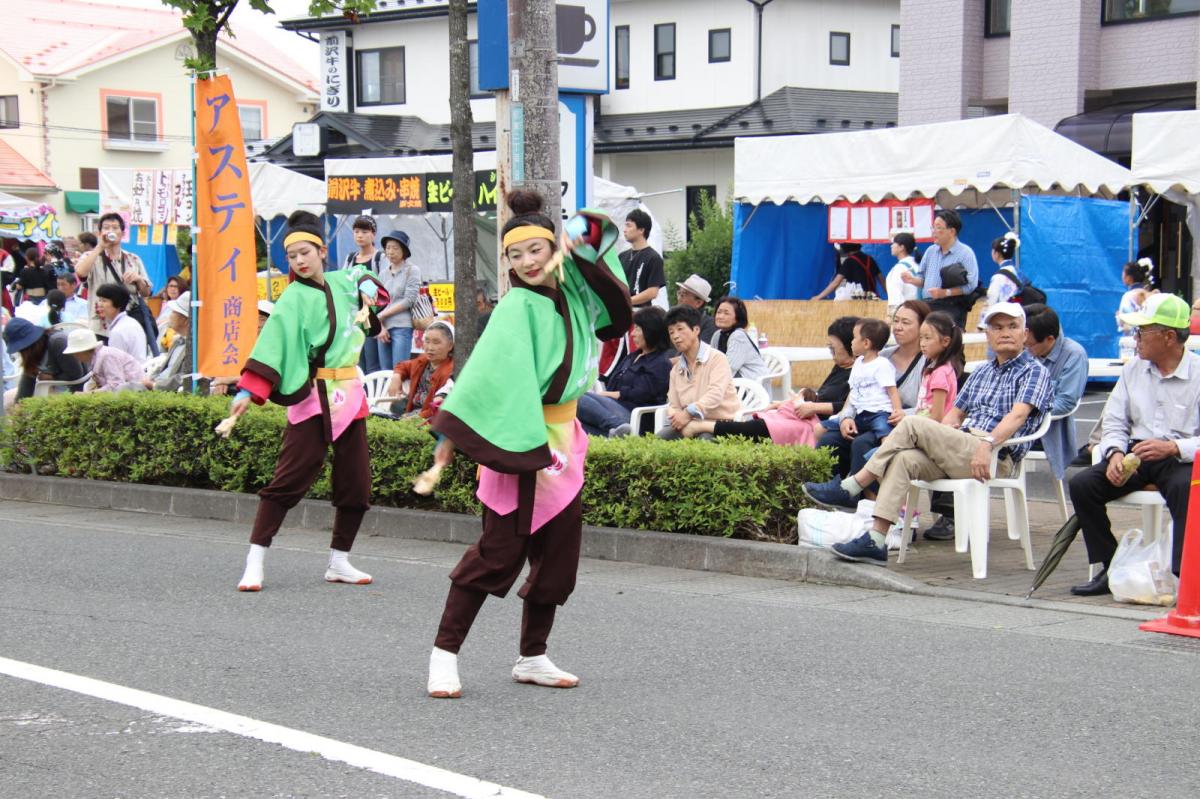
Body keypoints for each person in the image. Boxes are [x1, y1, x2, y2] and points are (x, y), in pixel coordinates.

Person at [425, 189, 632, 698]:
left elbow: (610, 287)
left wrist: (573, 240)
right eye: (514, 255)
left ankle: (532, 655)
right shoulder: (516, 306)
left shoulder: (574, 296)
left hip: (564, 440)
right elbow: (486, 380)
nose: (525, 263)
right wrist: (448, 442)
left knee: (558, 558)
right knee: (498, 554)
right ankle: (443, 655)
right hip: (520, 438)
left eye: (534, 250)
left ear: (553, 249)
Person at [803, 302, 1052, 566]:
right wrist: (935, 441)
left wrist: (987, 444)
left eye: (1013, 326)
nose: (1005, 333)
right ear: (987, 334)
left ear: (1025, 334)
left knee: (912, 424)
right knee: (904, 459)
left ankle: (852, 485)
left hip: (995, 454)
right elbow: (954, 415)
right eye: (997, 327)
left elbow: (1017, 416)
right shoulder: (982, 372)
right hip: (960, 447)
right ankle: (876, 540)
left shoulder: (1035, 371)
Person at [223, 211, 389, 593]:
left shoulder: (345, 280)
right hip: (313, 397)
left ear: (322, 251)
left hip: (349, 396)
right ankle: (255, 558)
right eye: (292, 255)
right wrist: (248, 392)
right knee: (289, 479)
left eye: (305, 252)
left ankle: (340, 560)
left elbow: (374, 291)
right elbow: (273, 345)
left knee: (356, 482)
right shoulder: (292, 298)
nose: (299, 261)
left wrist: (366, 284)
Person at [1067, 293, 1199, 596]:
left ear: (1168, 336)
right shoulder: (1132, 370)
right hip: (1136, 454)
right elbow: (1114, 422)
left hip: (1181, 458)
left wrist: (1174, 448)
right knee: (1083, 484)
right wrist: (1113, 453)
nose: (1135, 338)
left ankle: (1184, 574)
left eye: (1142, 331)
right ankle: (1110, 565)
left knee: (1187, 489)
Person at [685, 316, 857, 445]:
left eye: (833, 346)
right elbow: (823, 396)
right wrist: (784, 403)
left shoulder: (860, 371)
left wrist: (812, 407)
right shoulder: (841, 366)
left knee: (764, 428)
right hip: (804, 414)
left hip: (816, 422)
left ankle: (704, 426)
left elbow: (850, 405)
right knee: (763, 419)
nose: (830, 350)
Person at [814, 318, 904, 478]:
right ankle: (822, 475)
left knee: (885, 435)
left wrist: (897, 411)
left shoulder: (881, 364)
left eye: (854, 338)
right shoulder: (858, 364)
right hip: (859, 413)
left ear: (866, 343)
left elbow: (892, 391)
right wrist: (845, 416)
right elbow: (853, 392)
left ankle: (885, 463)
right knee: (820, 429)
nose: (851, 342)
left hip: (878, 412)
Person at [581, 306, 672, 437]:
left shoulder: (661, 362)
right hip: (613, 407)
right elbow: (613, 383)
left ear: (651, 331)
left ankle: (616, 425)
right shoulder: (632, 357)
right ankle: (613, 434)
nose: (632, 333)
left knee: (577, 397)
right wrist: (604, 395)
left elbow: (640, 394)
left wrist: (605, 394)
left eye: (637, 329)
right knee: (575, 422)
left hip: (636, 415)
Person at [1023, 303, 1087, 481]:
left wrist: (1025, 412)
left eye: (1030, 346)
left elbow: (1066, 402)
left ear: (1050, 339)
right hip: (1012, 423)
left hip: (1044, 432)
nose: (1027, 350)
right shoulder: (1025, 349)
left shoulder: (1074, 355)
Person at [658, 304, 740, 440]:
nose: (675, 336)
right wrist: (677, 416)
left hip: (718, 424)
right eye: (671, 332)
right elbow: (673, 404)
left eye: (680, 329)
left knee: (704, 443)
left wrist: (687, 414)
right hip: (688, 423)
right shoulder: (676, 369)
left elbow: (715, 395)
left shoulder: (717, 359)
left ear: (696, 330)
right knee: (658, 441)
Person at [74, 213, 153, 337]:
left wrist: (138, 279)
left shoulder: (133, 259)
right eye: (106, 227)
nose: (111, 231)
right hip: (101, 326)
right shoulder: (91, 256)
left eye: (115, 228)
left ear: (122, 233)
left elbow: (146, 293)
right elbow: (81, 273)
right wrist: (100, 247)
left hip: (128, 325)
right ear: (100, 233)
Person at [915, 210, 979, 328]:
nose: (934, 232)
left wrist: (944, 293)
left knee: (949, 342)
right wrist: (912, 280)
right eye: (933, 227)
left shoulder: (965, 253)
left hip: (951, 308)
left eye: (938, 228)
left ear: (952, 231)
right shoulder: (930, 251)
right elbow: (922, 278)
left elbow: (971, 285)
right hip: (928, 306)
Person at [2, 317, 86, 403]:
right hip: (47, 388)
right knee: (8, 399)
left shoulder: (57, 342)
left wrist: (52, 378)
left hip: (72, 390)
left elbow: (77, 374)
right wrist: (19, 403)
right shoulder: (32, 354)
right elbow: (28, 379)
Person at [387, 319, 455, 419]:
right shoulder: (423, 361)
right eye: (427, 341)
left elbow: (437, 408)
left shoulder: (451, 370)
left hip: (427, 419)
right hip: (411, 411)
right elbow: (403, 366)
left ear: (450, 345)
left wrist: (416, 418)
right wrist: (396, 377)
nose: (430, 347)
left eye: (436, 343)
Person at [375, 230, 421, 371]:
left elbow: (409, 300)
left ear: (404, 251)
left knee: (400, 370)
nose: (390, 251)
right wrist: (380, 326)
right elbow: (378, 304)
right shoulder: (382, 274)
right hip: (383, 327)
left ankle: (402, 394)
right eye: (388, 248)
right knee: (385, 371)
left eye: (395, 248)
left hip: (402, 326)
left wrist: (383, 315)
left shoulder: (412, 270)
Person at [344, 215, 384, 373]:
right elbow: (344, 281)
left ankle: (372, 395)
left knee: (373, 362)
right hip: (355, 316)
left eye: (364, 231)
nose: (359, 235)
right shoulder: (350, 258)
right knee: (357, 361)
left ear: (373, 234)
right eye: (356, 231)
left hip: (374, 315)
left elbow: (384, 286)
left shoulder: (380, 258)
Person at [61, 328, 145, 393]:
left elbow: (116, 385)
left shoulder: (106, 356)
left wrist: (90, 394)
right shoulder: (95, 358)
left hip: (134, 391)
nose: (74, 356)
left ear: (82, 350)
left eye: (75, 353)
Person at [914, 311, 963, 422]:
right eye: (921, 338)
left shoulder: (940, 372)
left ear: (945, 341)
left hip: (930, 431)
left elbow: (937, 416)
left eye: (927, 338)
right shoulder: (936, 368)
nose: (922, 343)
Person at [710, 295, 768, 380]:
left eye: (726, 313)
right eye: (719, 312)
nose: (720, 316)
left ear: (737, 318)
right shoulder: (717, 335)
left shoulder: (738, 336)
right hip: (731, 379)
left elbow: (729, 368)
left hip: (751, 384)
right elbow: (711, 361)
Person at [146, 291, 192, 392]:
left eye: (174, 312)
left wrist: (154, 385)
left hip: (163, 390)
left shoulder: (194, 347)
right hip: (155, 383)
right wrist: (150, 379)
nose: (170, 316)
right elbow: (164, 368)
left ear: (185, 320)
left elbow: (185, 376)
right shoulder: (177, 341)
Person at [94, 283, 149, 363]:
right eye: (99, 300)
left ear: (117, 304)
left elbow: (116, 367)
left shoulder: (118, 331)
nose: (100, 304)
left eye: (104, 301)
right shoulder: (131, 322)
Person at [811, 242, 882, 301]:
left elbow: (835, 283)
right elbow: (882, 281)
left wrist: (819, 297)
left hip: (858, 297)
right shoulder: (870, 259)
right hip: (871, 297)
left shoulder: (849, 261)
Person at [980, 233, 1021, 327]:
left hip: (1004, 321)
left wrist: (981, 325)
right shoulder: (1018, 272)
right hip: (1020, 318)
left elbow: (991, 302)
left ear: (996, 254)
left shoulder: (998, 277)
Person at [674, 274, 717, 343]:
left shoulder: (709, 324)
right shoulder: (673, 320)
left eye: (683, 295)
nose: (679, 298)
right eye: (679, 293)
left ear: (698, 303)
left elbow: (700, 351)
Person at [885, 231, 920, 313]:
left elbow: (895, 299)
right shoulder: (917, 265)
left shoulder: (899, 269)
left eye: (894, 243)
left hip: (905, 312)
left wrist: (893, 316)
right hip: (919, 311)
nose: (891, 246)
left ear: (901, 247)